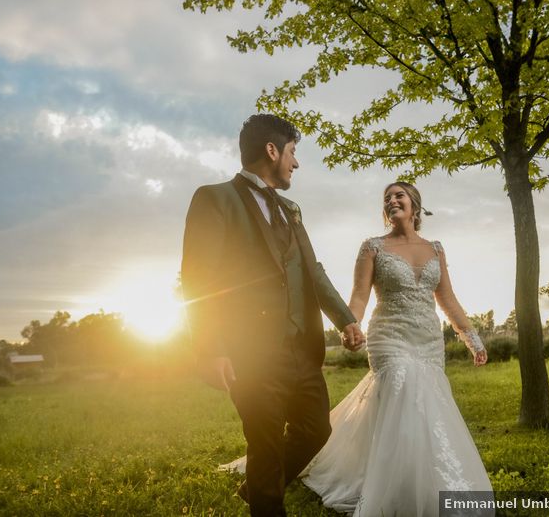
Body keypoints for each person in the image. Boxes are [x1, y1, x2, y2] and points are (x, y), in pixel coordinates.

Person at [181, 114, 364, 516]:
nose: (296, 163)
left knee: (317, 430)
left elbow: (312, 271)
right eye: (293, 152)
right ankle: (266, 499)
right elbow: (198, 279)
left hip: (303, 349)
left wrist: (347, 319)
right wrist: (209, 349)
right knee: (264, 442)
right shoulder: (214, 198)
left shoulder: (292, 208)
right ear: (272, 150)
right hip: (253, 352)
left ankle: (260, 486)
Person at [299, 181, 493, 516]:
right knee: (402, 387)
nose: (392, 200)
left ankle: (426, 481)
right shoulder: (372, 247)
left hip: (428, 339)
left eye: (398, 195)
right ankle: (390, 488)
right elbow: (359, 295)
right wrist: (350, 326)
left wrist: (471, 338)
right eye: (386, 198)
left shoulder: (436, 249)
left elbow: (447, 299)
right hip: (388, 335)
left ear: (415, 206)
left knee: (428, 404)